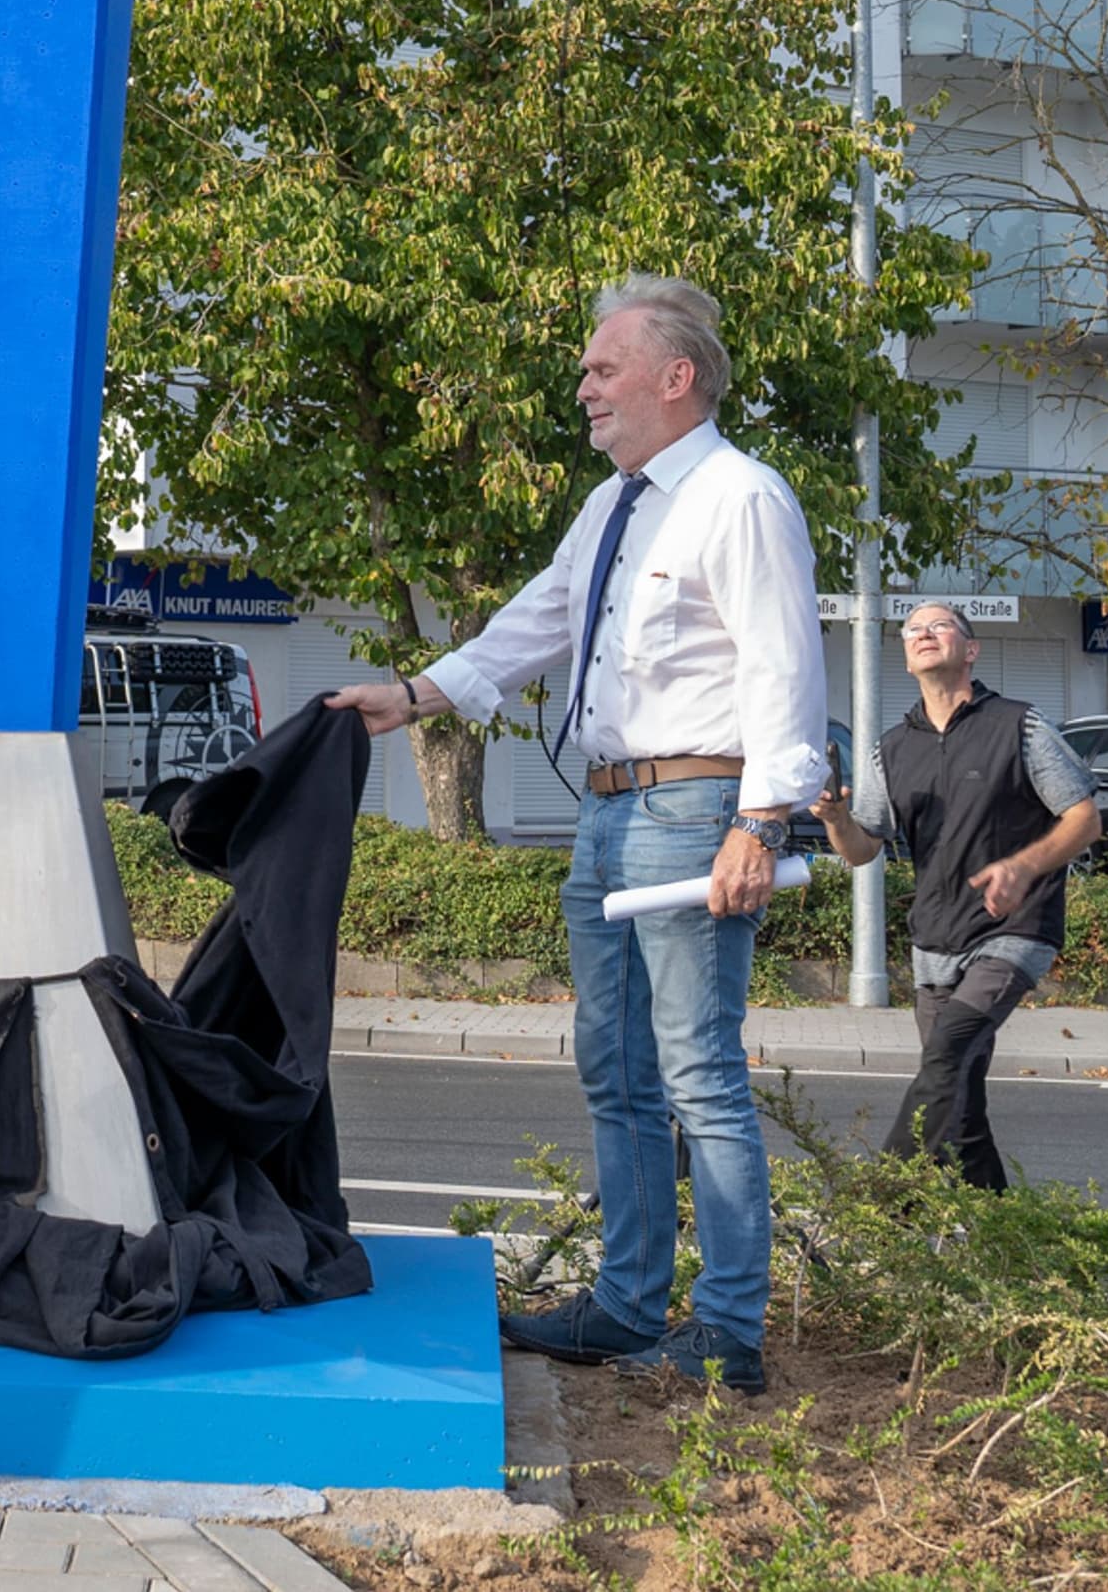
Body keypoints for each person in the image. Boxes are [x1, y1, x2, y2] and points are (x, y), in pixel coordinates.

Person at [327, 274, 824, 1397]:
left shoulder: (740, 496)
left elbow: (783, 664)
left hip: (696, 810)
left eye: (605, 367)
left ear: (675, 376)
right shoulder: (613, 507)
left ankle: (729, 1336)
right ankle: (627, 1305)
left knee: (697, 1073)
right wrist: (416, 694)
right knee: (615, 1068)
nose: (585, 386)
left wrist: (762, 820)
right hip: (608, 813)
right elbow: (540, 619)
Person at [813, 602, 1100, 1189]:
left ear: (970, 650)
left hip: (1013, 930)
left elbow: (1085, 818)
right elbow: (862, 849)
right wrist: (836, 818)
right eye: (913, 628)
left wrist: (1023, 866)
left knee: (944, 1059)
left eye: (939, 624)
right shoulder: (889, 750)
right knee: (958, 1100)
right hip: (934, 942)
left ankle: (884, 1204)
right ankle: (1004, 1239)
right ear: (906, 656)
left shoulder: (1019, 725)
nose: (923, 633)